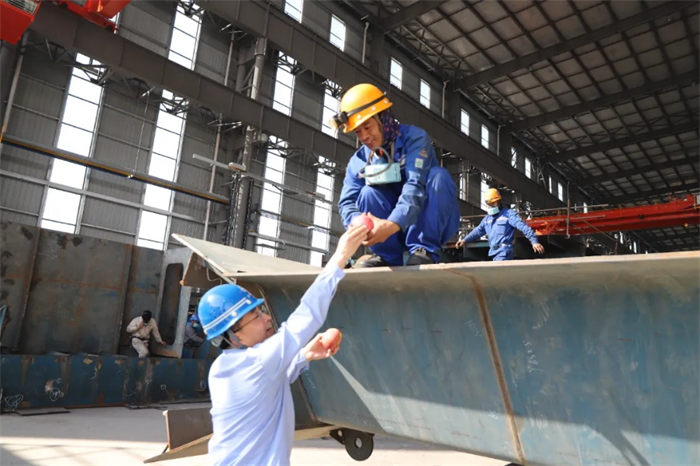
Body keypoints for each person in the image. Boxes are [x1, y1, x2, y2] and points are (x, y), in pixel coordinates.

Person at [197, 224, 368, 466]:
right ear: (233, 336)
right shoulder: (259, 361)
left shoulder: (223, 367)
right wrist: (341, 256)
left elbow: (270, 383)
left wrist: (305, 355)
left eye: (261, 311)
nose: (267, 318)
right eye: (256, 315)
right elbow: (308, 314)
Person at [335, 83, 460, 268]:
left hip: (425, 221)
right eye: (358, 132)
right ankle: (387, 256)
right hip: (387, 232)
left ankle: (423, 249)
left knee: (438, 176)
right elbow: (347, 202)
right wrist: (358, 223)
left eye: (367, 127)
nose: (364, 136)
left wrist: (392, 224)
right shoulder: (358, 161)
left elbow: (414, 185)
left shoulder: (415, 139)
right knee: (367, 192)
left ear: (383, 118)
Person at [456, 188, 545, 261]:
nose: (493, 205)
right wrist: (465, 240)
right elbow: (478, 231)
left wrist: (534, 241)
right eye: (490, 203)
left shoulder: (508, 214)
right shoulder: (487, 219)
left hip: (504, 252)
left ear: (499, 202)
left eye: (494, 203)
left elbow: (522, 226)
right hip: (493, 253)